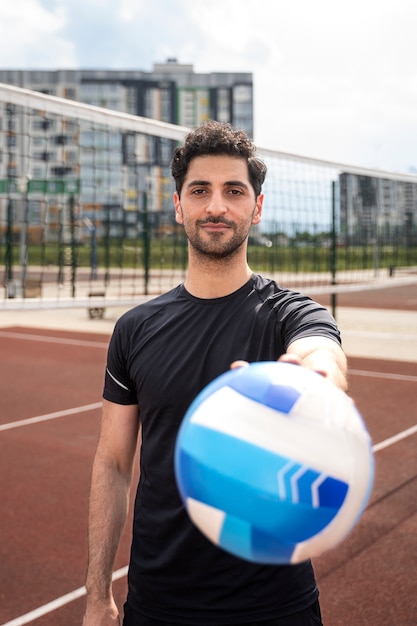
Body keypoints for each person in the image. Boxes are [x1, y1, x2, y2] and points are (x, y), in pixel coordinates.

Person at [82, 120, 348, 626]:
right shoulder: (134, 329)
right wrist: (98, 594)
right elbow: (113, 464)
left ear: (258, 207)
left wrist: (312, 375)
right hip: (160, 602)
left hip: (274, 606)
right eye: (200, 191)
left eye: (234, 191)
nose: (217, 207)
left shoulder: (290, 314)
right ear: (178, 204)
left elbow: (320, 351)